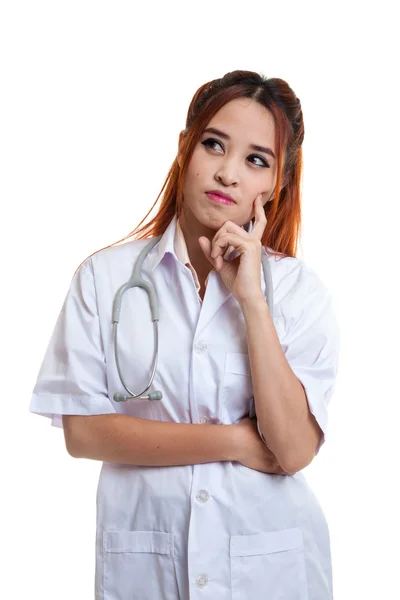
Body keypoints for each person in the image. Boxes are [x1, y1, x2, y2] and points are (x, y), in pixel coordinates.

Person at [29, 70, 341, 600]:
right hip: (147, 571)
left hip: (270, 570)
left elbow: (291, 449)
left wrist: (252, 303)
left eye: (255, 160)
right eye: (214, 145)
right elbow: (84, 433)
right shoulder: (104, 280)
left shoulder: (296, 293)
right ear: (184, 149)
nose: (227, 173)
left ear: (275, 185)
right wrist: (238, 442)